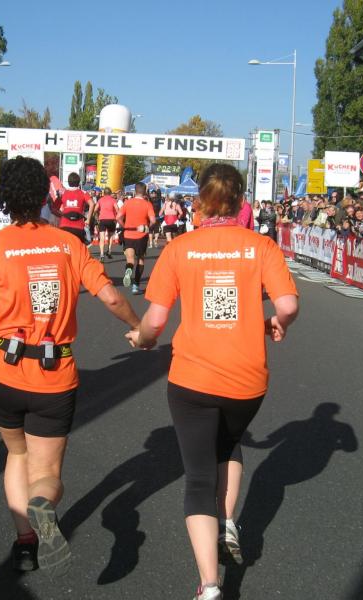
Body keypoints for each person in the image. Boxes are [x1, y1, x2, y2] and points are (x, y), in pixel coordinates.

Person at [0, 157, 142, 577]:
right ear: (44, 197)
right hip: (53, 374)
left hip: (1, 369)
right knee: (47, 471)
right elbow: (111, 297)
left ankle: (24, 543)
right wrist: (138, 328)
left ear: (4, 196)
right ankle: (43, 503)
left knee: (16, 454)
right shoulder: (67, 244)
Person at [126, 164, 299, 600]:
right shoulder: (261, 246)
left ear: (200, 200)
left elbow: (156, 321)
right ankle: (226, 521)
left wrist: (142, 339)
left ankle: (209, 585)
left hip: (193, 377)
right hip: (247, 378)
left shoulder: (180, 248)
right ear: (241, 200)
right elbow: (288, 304)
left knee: (199, 477)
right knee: (229, 443)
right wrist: (278, 322)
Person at [117, 182, 156, 295]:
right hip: (141, 235)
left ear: (135, 191)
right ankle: (136, 285)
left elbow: (118, 217)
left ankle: (128, 269)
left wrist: (124, 226)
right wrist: (147, 227)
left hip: (128, 234)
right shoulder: (147, 204)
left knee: (130, 259)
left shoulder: (127, 202)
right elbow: (153, 221)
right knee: (140, 259)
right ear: (145, 192)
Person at [58, 173, 93, 244]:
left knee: (65, 247)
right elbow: (92, 204)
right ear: (79, 182)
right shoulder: (83, 193)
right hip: (78, 226)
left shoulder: (63, 193)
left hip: (64, 225)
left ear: (68, 182)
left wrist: (61, 215)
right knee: (78, 247)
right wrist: (88, 219)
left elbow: (55, 207)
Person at [96, 187, 119, 261]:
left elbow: (95, 209)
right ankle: (109, 251)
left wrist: (97, 216)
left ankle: (102, 254)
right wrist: (117, 218)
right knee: (110, 235)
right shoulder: (113, 200)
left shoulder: (100, 200)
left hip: (102, 219)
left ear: (104, 193)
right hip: (111, 219)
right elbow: (117, 209)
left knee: (102, 237)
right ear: (110, 193)